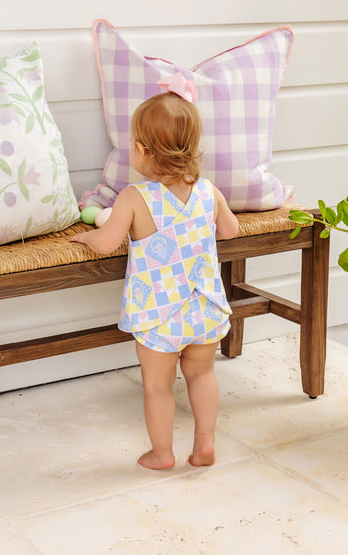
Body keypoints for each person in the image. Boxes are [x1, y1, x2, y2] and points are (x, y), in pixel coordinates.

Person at [73, 75, 239, 470]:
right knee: (202, 375)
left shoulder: (135, 198)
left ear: (142, 150)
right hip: (204, 309)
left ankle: (162, 454)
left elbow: (107, 242)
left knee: (158, 386)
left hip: (159, 314)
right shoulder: (208, 191)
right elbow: (230, 230)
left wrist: (86, 237)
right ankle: (205, 444)